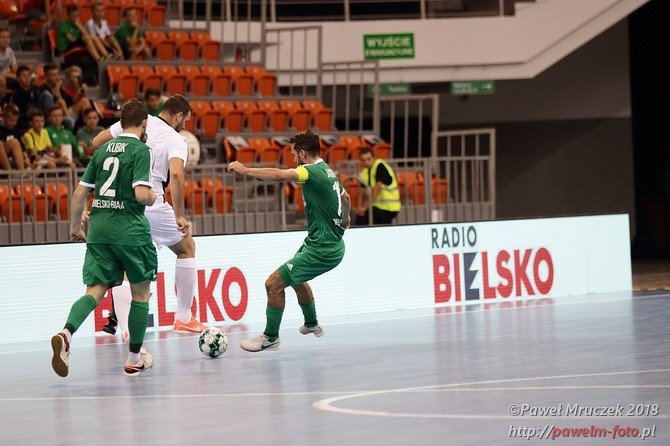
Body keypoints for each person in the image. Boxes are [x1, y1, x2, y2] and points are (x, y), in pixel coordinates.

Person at [50, 99, 158, 377]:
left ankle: (66, 333)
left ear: (120, 123)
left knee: (95, 291)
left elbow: (78, 194)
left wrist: (75, 227)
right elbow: (141, 195)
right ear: (144, 124)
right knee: (140, 293)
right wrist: (155, 194)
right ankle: (134, 357)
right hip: (130, 232)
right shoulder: (142, 150)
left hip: (98, 231)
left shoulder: (100, 151)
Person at [92, 95, 206, 335]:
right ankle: (184, 317)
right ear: (178, 116)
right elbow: (175, 175)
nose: (184, 126)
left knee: (126, 266)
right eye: (185, 121)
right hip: (151, 202)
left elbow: (97, 141)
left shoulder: (140, 121)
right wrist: (179, 215)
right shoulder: (176, 139)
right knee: (186, 248)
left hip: (123, 202)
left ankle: (125, 330)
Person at [227, 130, 351, 352]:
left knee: (272, 284)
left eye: (294, 154)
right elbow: (346, 197)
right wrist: (346, 218)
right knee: (295, 278)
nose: (293, 158)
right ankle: (312, 323)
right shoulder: (328, 170)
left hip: (323, 249)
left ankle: (270, 337)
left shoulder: (310, 171)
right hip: (322, 243)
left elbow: (281, 175)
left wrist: (245, 170)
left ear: (303, 153)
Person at [38, 64, 92, 130]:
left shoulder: (60, 89)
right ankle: (70, 125)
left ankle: (89, 128)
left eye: (57, 74)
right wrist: (57, 88)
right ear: (46, 77)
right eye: (53, 75)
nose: (57, 78)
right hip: (53, 117)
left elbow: (71, 101)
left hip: (65, 113)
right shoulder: (43, 90)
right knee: (61, 102)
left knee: (84, 101)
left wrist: (81, 93)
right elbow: (53, 108)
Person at [356, 147, 401, 225]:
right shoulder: (364, 172)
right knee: (360, 217)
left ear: (374, 157)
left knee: (369, 216)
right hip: (377, 206)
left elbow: (377, 188)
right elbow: (361, 192)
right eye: (363, 160)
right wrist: (360, 208)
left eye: (368, 159)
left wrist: (365, 208)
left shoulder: (380, 166)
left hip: (389, 206)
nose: (366, 162)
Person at [8, 65, 39, 131]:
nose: (27, 78)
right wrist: (25, 113)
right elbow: (14, 112)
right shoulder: (16, 94)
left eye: (28, 75)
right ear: (18, 78)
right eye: (24, 76)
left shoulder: (35, 90)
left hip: (36, 119)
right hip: (22, 123)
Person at [0, 104, 27, 170]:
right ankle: (10, 172)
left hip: (11, 158)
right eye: (11, 121)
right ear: (4, 118)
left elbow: (22, 147)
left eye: (16, 121)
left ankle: (22, 173)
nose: (14, 123)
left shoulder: (16, 131)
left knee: (14, 142)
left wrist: (25, 155)